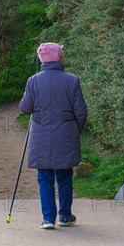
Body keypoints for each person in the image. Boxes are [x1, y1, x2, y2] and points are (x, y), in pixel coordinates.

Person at [19, 42, 87, 229]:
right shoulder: (72, 80)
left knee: (44, 176)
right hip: (65, 134)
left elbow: (25, 108)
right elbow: (81, 112)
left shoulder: (33, 81)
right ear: (59, 57)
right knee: (65, 175)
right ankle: (65, 216)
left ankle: (48, 219)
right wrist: (75, 131)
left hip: (40, 135)